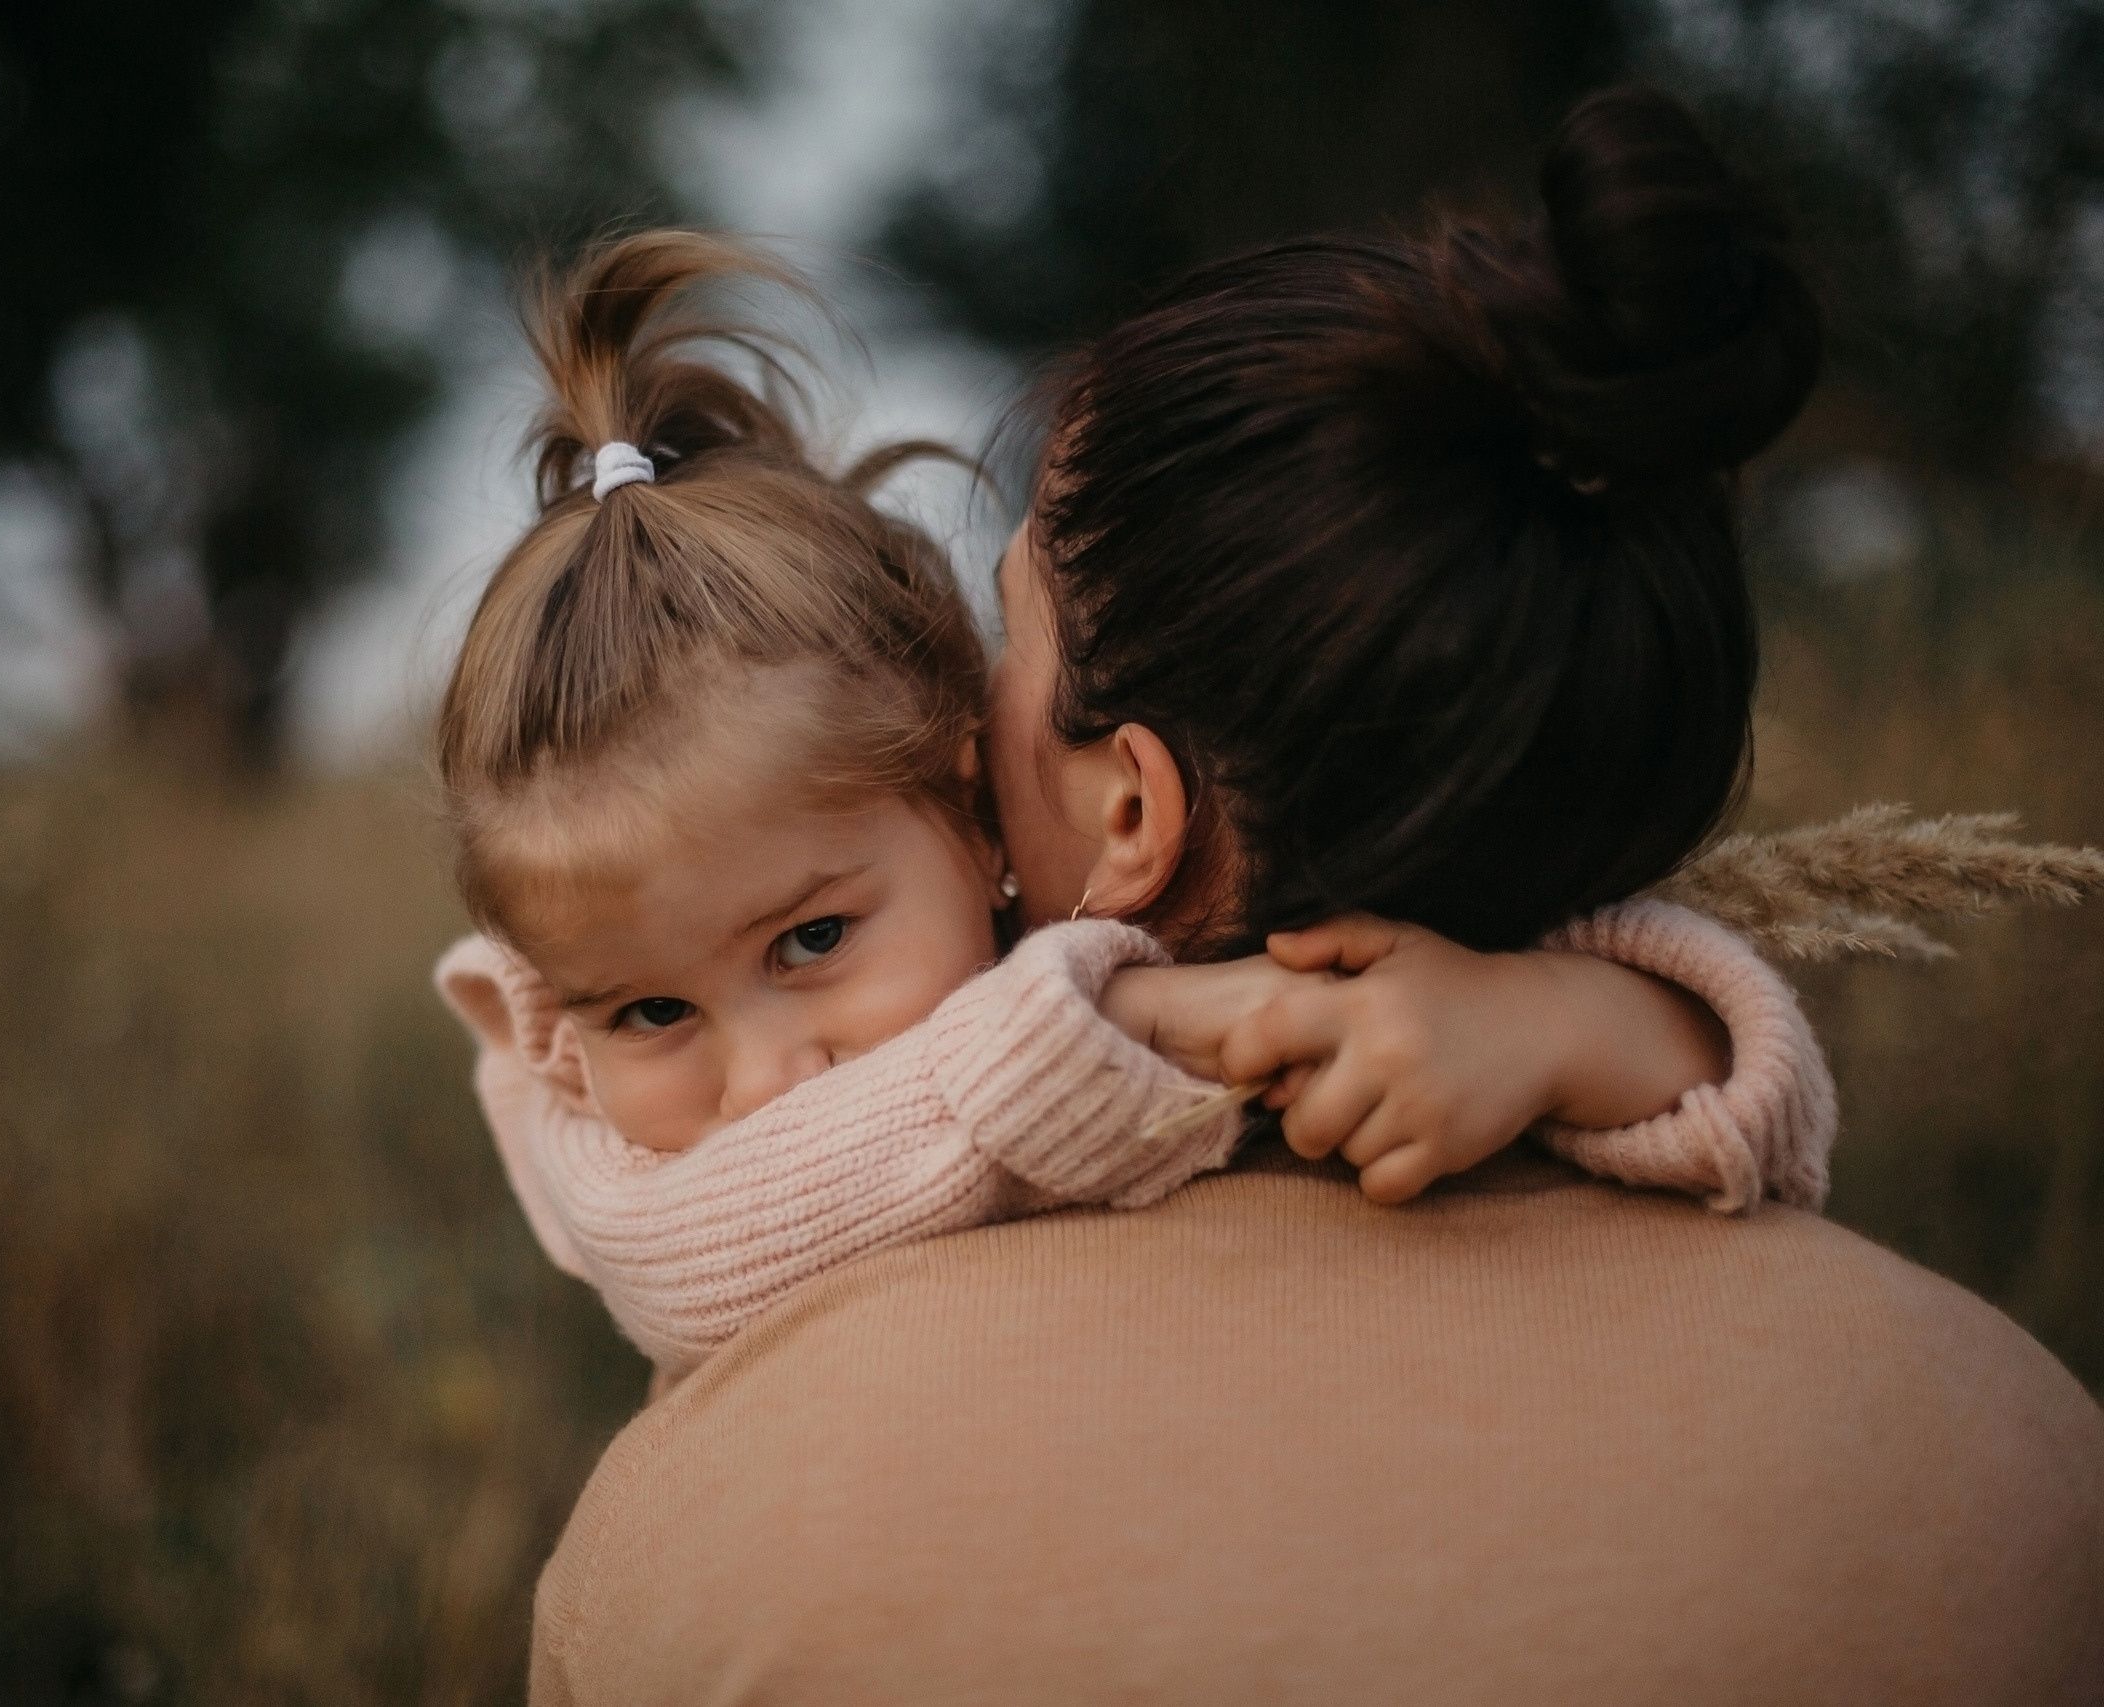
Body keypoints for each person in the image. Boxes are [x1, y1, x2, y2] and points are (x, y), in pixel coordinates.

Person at [524, 88, 2104, 1702]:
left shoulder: (704, 1526)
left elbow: (1724, 1045)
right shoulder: (2032, 1457)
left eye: (1010, 633)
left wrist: (1550, 1016)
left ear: (1132, 806)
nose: (960, 724)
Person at [430, 229, 1830, 1376]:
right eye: (655, 1015)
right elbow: (673, 1254)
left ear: (1090, 812)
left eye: (812, 944)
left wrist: (1556, 1024)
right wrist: (1115, 1030)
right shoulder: (597, 1027)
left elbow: (1759, 1101)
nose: (771, 1078)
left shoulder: (1381, 991)